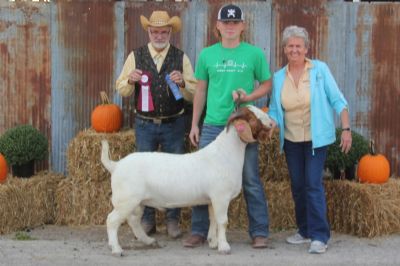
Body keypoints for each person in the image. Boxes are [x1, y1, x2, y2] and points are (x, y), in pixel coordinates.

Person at [183, 4, 271, 249]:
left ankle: (259, 232)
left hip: (243, 127)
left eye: (235, 23)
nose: (230, 27)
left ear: (242, 26)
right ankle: (199, 231)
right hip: (213, 125)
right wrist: (194, 124)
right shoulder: (207, 55)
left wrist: (249, 98)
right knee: (201, 179)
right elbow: (200, 89)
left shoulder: (254, 54)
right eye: (226, 23)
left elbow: (266, 84)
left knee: (250, 178)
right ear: (218, 26)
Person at [268, 25, 352, 254]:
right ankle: (304, 230)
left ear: (306, 48)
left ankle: (319, 236)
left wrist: (346, 128)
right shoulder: (278, 77)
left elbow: (338, 100)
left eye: (299, 46)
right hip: (292, 140)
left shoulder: (320, 70)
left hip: (317, 139)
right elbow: (275, 110)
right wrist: (269, 122)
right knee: (298, 186)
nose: (294, 50)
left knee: (313, 184)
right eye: (290, 46)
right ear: (284, 49)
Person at [115, 10, 196, 239]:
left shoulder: (181, 57)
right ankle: (148, 220)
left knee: (177, 174)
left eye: (163, 32)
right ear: (148, 32)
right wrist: (130, 80)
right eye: (155, 31)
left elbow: (194, 93)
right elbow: (121, 87)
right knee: (144, 175)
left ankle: (172, 220)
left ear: (170, 32)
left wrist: (183, 85)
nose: (159, 35)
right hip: (145, 124)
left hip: (174, 123)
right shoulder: (135, 55)